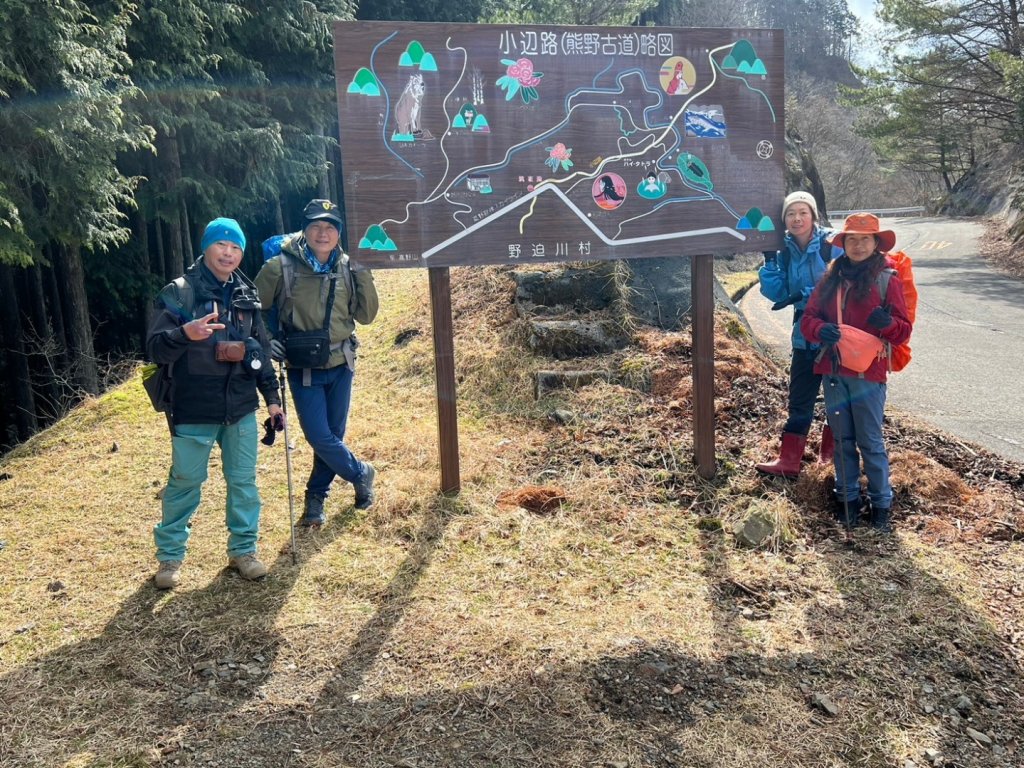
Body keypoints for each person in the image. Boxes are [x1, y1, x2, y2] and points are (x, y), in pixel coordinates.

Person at [146, 218, 283, 589]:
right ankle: (170, 558)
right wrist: (183, 334)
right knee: (185, 482)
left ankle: (244, 551)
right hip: (192, 407)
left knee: (243, 482)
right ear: (206, 247)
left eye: (236, 247)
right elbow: (155, 348)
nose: (228, 252)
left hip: (239, 408)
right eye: (221, 244)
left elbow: (261, 353)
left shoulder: (247, 296)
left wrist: (272, 400)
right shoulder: (179, 293)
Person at [255, 199, 380, 528]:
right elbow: (252, 310)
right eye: (315, 226)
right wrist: (269, 341)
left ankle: (315, 498)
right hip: (303, 365)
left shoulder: (350, 267)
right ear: (304, 229)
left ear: (338, 233)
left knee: (333, 435)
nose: (322, 233)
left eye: (330, 227)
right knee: (319, 436)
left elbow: (366, 316)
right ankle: (361, 472)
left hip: (342, 362)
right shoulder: (280, 266)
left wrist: (364, 272)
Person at [800, 213, 912, 533]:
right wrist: (822, 329)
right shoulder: (830, 278)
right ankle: (847, 502)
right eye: (852, 239)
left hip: (869, 374)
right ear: (843, 244)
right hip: (834, 371)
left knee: (870, 441)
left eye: (865, 239)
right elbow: (808, 320)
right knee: (843, 440)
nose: (858, 245)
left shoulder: (887, 279)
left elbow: (902, 331)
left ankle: (881, 507)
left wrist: (886, 324)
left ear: (876, 243)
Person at [755, 191, 842, 478]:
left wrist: (804, 294)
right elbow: (777, 293)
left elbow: (845, 285)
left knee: (837, 400)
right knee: (800, 399)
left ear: (813, 215)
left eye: (803, 212)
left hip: (835, 335)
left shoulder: (832, 246)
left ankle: (829, 460)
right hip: (804, 335)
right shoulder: (783, 251)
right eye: (791, 214)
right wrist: (769, 261)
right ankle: (789, 461)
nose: (797, 218)